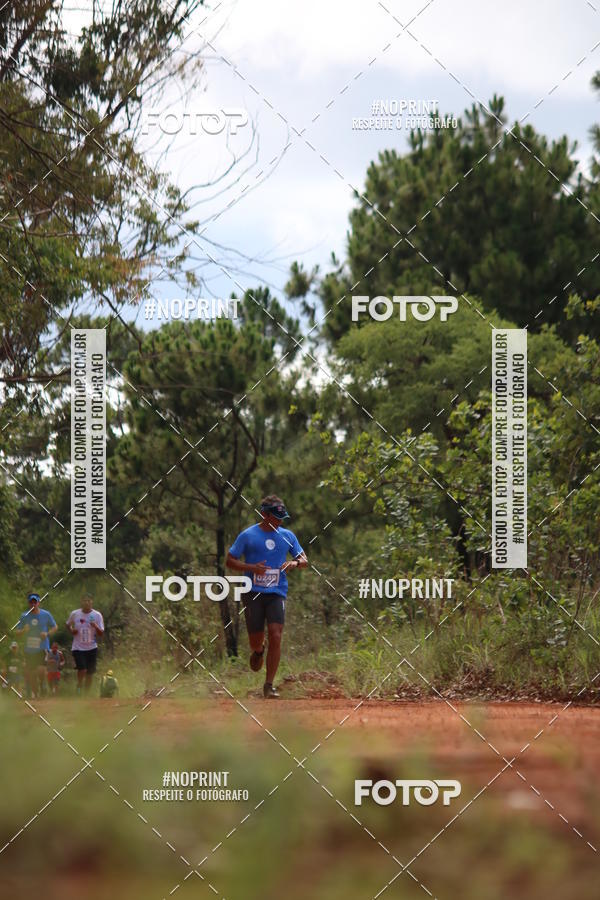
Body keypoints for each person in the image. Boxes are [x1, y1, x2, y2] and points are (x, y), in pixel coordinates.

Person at [226, 495, 307, 698]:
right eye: (276, 518)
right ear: (264, 514)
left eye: (282, 519)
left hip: (276, 593)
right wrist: (251, 567)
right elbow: (230, 560)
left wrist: (295, 563)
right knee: (256, 640)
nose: (279, 522)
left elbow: (304, 559)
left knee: (276, 635)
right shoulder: (247, 535)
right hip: (252, 592)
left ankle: (269, 685)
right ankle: (258, 650)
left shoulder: (288, 536)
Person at [14, 592, 58, 698]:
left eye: (35, 602)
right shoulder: (24, 616)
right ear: (28, 603)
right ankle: (36, 693)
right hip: (29, 649)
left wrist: (47, 634)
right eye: (31, 602)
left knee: (41, 670)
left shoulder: (46, 614)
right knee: (30, 672)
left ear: (39, 602)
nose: (33, 604)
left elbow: (55, 627)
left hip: (42, 647)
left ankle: (42, 684)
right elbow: (16, 632)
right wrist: (23, 631)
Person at [66, 593, 105, 694]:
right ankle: (79, 685)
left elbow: (101, 633)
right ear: (81, 602)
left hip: (92, 647)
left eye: (88, 601)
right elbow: (68, 624)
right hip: (78, 647)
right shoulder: (75, 613)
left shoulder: (97, 615)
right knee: (82, 669)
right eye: (84, 600)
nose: (86, 603)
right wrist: (72, 630)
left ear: (92, 602)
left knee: (90, 673)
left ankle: (86, 694)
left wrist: (95, 626)